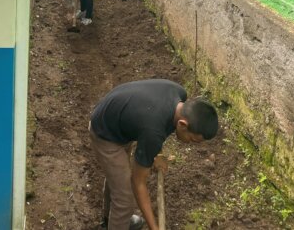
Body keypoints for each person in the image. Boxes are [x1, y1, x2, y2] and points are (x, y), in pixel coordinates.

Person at [89, 79, 219, 230]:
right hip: (104, 133)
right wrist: (154, 227)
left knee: (118, 181)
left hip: (119, 119)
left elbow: (159, 123)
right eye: (192, 139)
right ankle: (116, 222)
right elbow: (138, 182)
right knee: (124, 200)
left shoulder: (179, 95)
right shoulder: (152, 132)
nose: (190, 143)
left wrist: (157, 154)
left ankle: (110, 221)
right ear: (183, 124)